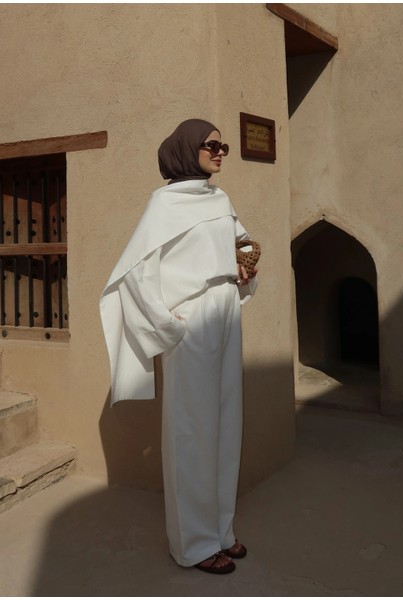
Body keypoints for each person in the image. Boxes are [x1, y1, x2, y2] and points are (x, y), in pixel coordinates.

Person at [100, 119, 258, 574]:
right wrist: (168, 326)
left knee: (225, 423)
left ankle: (220, 530)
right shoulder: (164, 204)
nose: (221, 152)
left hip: (225, 314)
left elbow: (241, 242)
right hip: (192, 322)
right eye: (212, 145)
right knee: (192, 431)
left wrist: (246, 262)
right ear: (188, 149)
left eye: (224, 146)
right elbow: (135, 273)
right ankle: (193, 543)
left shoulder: (219, 199)